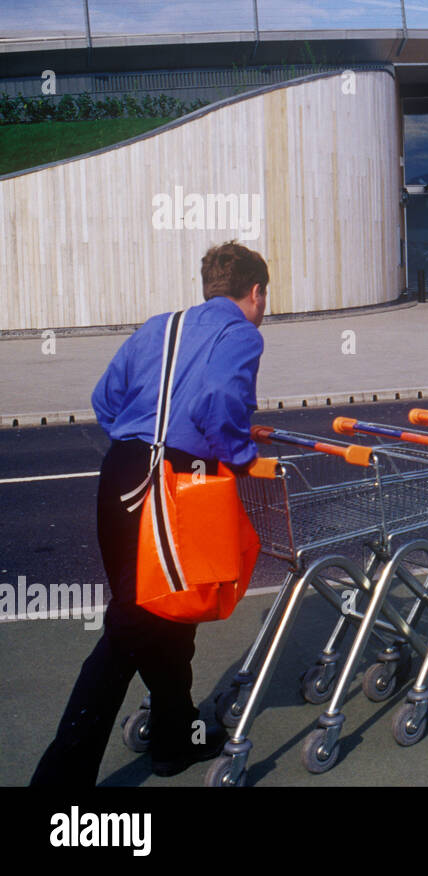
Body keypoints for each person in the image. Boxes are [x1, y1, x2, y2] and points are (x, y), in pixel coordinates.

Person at [31, 242, 269, 785]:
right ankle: (58, 782)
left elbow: (105, 398)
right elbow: (218, 397)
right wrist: (240, 454)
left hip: (121, 472)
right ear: (254, 292)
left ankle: (173, 738)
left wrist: (143, 434)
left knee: (168, 611)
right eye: (264, 299)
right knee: (132, 623)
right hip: (168, 481)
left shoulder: (158, 325)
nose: (263, 310)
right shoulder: (241, 334)